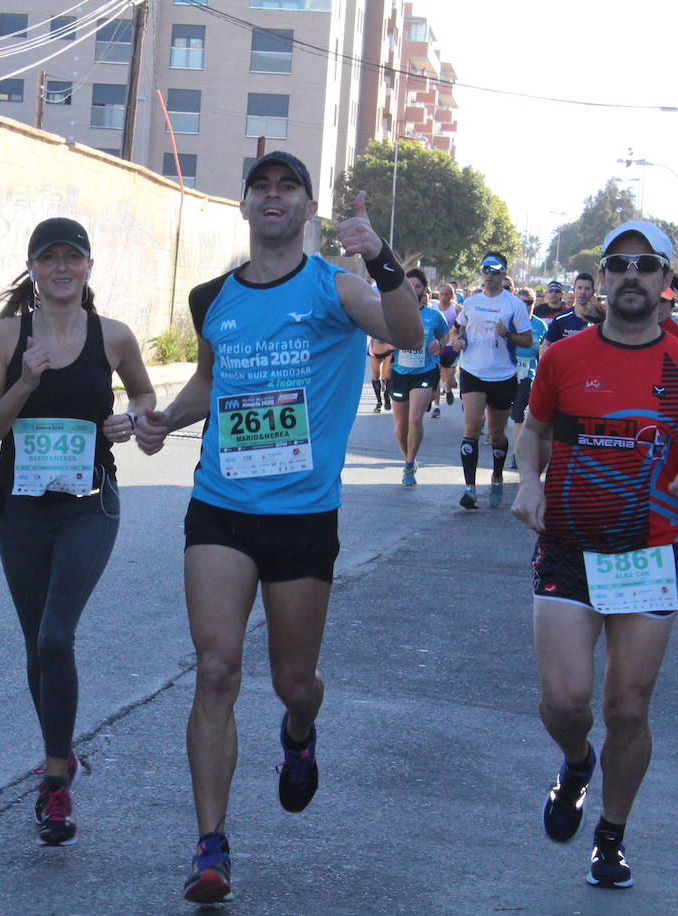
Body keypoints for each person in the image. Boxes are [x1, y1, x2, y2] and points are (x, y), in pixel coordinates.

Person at [132, 151, 421, 904]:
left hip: (301, 518)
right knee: (218, 668)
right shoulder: (215, 298)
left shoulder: (336, 287)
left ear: (308, 208)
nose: (272, 195)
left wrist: (381, 258)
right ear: (244, 203)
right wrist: (166, 415)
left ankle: (300, 730)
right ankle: (210, 845)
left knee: (293, 681)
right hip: (221, 507)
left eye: (287, 186)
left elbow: (410, 333)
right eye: (260, 184)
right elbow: (208, 380)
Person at [512, 221, 678, 889]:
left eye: (645, 265)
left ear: (664, 284)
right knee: (567, 702)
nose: (631, 275)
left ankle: (611, 835)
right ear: (601, 280)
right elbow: (531, 433)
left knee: (627, 709)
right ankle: (574, 766)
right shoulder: (565, 356)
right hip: (568, 545)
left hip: (649, 552)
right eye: (618, 264)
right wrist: (529, 481)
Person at [0, 217, 155, 847]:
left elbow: (144, 399)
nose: (60, 268)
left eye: (71, 258)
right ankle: (59, 753)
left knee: (56, 635)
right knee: (36, 646)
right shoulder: (6, 336)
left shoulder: (115, 336)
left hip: (88, 505)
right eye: (47, 259)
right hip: (23, 507)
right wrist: (25, 381)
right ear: (32, 269)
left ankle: (55, 781)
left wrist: (128, 421)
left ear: (87, 266)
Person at [453, 252, 533, 509]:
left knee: (497, 433)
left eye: (494, 270)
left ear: (503, 274)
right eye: (485, 269)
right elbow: (460, 330)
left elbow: (528, 341)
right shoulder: (471, 302)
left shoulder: (514, 305)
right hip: (472, 372)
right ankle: (470, 490)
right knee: (472, 428)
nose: (488, 274)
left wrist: (507, 333)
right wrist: (459, 341)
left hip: (502, 375)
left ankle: (497, 477)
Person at [390, 268, 449, 484]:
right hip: (399, 371)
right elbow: (380, 337)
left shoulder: (434, 315)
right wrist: (390, 342)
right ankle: (408, 458)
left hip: (425, 371)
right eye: (409, 285)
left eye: (417, 286)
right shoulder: (395, 311)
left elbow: (445, 335)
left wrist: (439, 344)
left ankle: (408, 465)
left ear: (424, 289)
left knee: (415, 419)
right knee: (400, 425)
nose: (413, 289)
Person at [506, 288, 550, 470]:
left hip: (527, 375)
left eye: (530, 303)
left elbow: (544, 352)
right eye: (522, 303)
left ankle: (517, 455)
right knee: (504, 413)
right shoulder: (508, 323)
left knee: (518, 414)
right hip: (506, 373)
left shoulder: (540, 325)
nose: (526, 306)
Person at [539, 272, 604, 356]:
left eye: (587, 288)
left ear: (593, 291)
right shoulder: (561, 319)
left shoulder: (601, 320)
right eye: (579, 288)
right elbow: (545, 346)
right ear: (574, 290)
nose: (582, 292)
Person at [435, 282, 460, 410]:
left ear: (452, 296)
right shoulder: (434, 307)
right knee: (436, 375)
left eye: (447, 294)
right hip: (437, 347)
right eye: (441, 294)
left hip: (451, 347)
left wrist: (458, 339)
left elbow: (465, 324)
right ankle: (436, 407)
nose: (444, 297)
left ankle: (448, 387)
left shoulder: (456, 309)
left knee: (449, 378)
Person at [367, 336, 394, 412]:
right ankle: (379, 402)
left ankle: (386, 395)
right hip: (375, 348)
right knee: (375, 375)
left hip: (389, 347)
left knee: (387, 374)